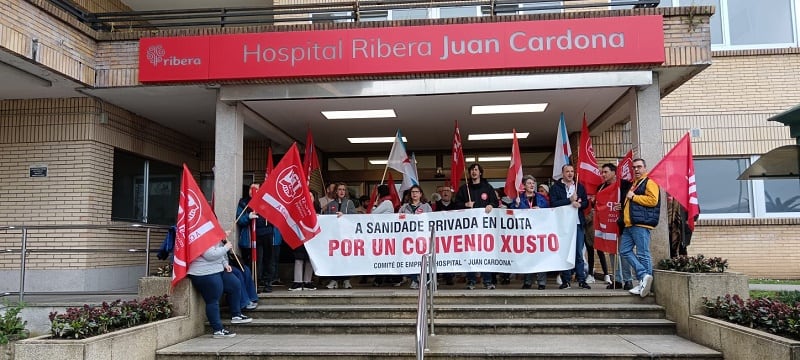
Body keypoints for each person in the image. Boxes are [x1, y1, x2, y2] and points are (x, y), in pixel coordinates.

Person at [187, 240, 252, 339]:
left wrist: (225, 264)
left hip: (218, 268)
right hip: (204, 271)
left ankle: (236, 314)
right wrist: (226, 247)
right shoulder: (202, 233)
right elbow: (210, 254)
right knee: (213, 299)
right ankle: (218, 330)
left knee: (235, 284)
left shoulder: (212, 232)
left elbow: (217, 252)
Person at [621, 158, 661, 297]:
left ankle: (645, 283)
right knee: (624, 250)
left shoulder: (650, 182)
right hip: (630, 223)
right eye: (634, 167)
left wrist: (634, 197)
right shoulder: (636, 183)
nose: (636, 170)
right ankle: (644, 276)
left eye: (639, 167)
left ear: (645, 168)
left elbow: (653, 200)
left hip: (641, 223)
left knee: (643, 253)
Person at [454, 163, 498, 290]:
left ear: (480, 173)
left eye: (476, 170)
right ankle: (471, 281)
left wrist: (491, 205)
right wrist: (466, 205)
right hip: (469, 228)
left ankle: (488, 281)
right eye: (472, 170)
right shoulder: (464, 189)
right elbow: (457, 204)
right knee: (470, 254)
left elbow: (494, 202)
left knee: (485, 254)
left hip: (484, 228)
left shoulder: (487, 187)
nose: (474, 172)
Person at [550, 164, 591, 290]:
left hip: (577, 224)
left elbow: (585, 202)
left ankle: (581, 279)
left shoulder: (579, 186)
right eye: (567, 171)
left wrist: (581, 205)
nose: (570, 173)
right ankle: (566, 280)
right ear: (562, 173)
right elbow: (553, 203)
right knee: (564, 252)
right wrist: (569, 200)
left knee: (578, 252)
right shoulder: (555, 187)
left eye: (572, 171)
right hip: (562, 225)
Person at [597, 163, 635, 290]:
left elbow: (632, 202)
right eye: (602, 172)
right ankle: (617, 280)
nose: (603, 174)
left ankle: (628, 280)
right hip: (608, 225)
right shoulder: (600, 188)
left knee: (624, 252)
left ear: (614, 172)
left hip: (623, 225)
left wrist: (622, 206)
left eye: (606, 172)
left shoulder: (624, 185)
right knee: (612, 252)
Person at [508, 175, 549, 289]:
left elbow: (549, 210)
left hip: (539, 232)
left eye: (533, 183)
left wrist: (540, 210)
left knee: (540, 257)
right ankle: (528, 281)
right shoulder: (519, 198)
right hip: (525, 234)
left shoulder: (541, 198)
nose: (532, 185)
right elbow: (511, 213)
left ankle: (541, 282)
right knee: (528, 257)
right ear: (524, 186)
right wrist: (516, 205)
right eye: (529, 183)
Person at [236, 183, 276, 291]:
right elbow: (239, 219)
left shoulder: (268, 201)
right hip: (253, 235)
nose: (253, 190)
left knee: (269, 260)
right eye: (251, 188)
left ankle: (268, 283)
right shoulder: (244, 203)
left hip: (268, 234)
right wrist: (248, 217)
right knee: (256, 260)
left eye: (256, 189)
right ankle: (255, 284)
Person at [397, 185, 433, 289]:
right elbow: (398, 221)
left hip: (422, 239)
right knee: (412, 260)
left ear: (421, 194)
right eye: (413, 192)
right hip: (408, 239)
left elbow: (431, 220)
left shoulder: (426, 207)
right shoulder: (404, 207)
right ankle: (414, 280)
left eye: (417, 192)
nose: (414, 194)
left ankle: (425, 280)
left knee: (423, 259)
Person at [322, 182, 356, 289]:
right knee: (335, 258)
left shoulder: (349, 203)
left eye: (344, 190)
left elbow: (354, 217)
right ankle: (334, 280)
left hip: (346, 235)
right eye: (340, 189)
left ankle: (346, 280)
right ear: (336, 191)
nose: (342, 191)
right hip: (334, 236)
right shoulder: (331, 204)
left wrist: (344, 216)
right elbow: (326, 218)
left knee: (346, 257)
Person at [433, 185, 458, 285]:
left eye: (448, 191)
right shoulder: (435, 205)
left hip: (452, 236)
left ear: (451, 194)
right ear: (440, 193)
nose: (446, 193)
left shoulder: (456, 205)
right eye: (443, 191)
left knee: (450, 256)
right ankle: (437, 276)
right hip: (438, 235)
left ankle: (449, 277)